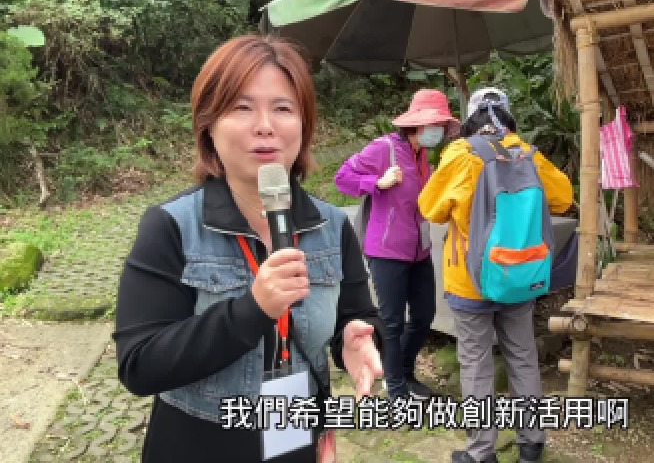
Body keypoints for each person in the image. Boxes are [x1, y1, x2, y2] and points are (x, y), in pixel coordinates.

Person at [113, 34, 384, 463]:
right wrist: (252, 310)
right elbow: (139, 364)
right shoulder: (171, 226)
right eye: (242, 108)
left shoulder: (332, 226)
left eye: (283, 108)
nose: (265, 126)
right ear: (209, 125)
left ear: (304, 125)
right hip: (198, 444)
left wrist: (357, 338)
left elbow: (357, 314)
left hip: (294, 432)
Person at [417, 88, 574, 463]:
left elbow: (430, 208)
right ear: (507, 116)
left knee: (476, 364)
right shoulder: (527, 154)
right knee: (522, 356)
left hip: (470, 280)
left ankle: (481, 452)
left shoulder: (461, 154)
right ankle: (532, 443)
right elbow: (563, 198)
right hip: (520, 275)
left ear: (471, 118)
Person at [334, 89, 459, 398]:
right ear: (417, 124)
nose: (439, 131)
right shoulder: (384, 148)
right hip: (386, 251)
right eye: (435, 124)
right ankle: (396, 387)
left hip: (419, 250)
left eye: (442, 125)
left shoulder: (424, 155)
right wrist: (376, 183)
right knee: (392, 322)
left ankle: (403, 372)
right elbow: (343, 178)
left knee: (424, 315)